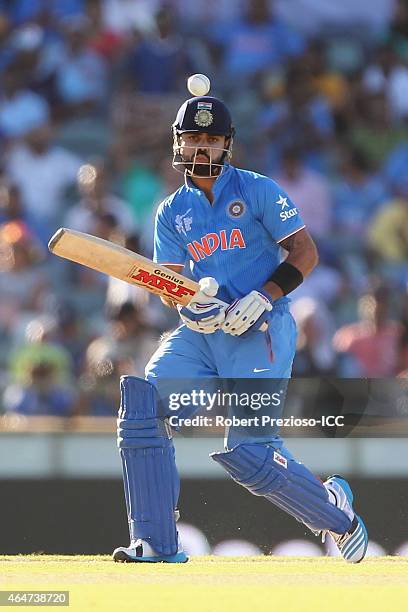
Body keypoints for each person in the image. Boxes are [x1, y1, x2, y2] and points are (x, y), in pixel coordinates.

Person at [112, 93, 368, 564]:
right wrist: (190, 306)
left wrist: (263, 295)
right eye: (193, 138)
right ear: (179, 144)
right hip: (204, 334)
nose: (202, 148)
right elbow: (172, 283)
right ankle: (156, 545)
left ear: (227, 144)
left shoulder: (258, 190)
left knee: (250, 455)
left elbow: (305, 254)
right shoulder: (171, 212)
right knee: (144, 409)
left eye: (212, 139)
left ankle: (338, 515)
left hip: (262, 331)